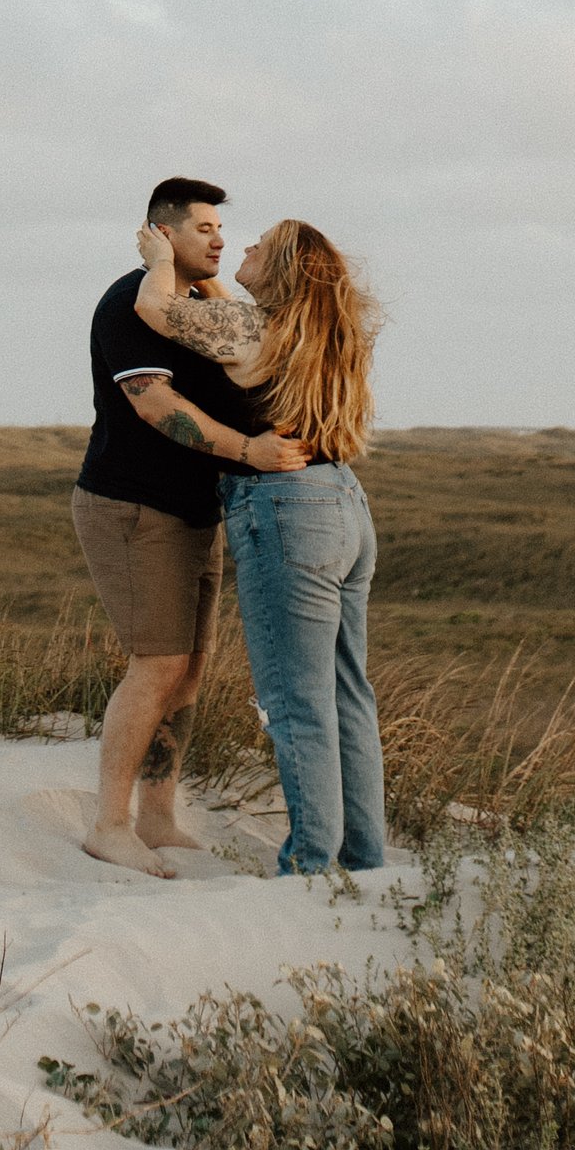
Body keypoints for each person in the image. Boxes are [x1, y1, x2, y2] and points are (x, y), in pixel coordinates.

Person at [133, 213, 386, 878]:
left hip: (286, 511)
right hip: (346, 506)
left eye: (259, 245)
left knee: (295, 701)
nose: (240, 246)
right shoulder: (328, 335)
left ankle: (307, 866)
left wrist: (160, 256)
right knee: (346, 694)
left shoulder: (253, 330)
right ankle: (365, 860)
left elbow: (154, 309)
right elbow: (227, 313)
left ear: (281, 272)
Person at [73, 176, 310, 878]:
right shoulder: (130, 302)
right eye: (202, 227)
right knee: (158, 665)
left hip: (193, 510)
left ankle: (157, 815)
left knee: (190, 672)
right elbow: (152, 405)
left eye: (221, 228)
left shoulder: (205, 303)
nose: (218, 238)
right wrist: (249, 453)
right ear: (163, 232)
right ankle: (109, 825)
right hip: (132, 505)